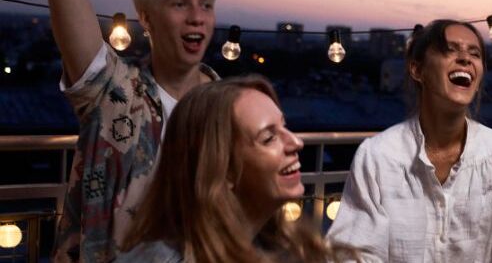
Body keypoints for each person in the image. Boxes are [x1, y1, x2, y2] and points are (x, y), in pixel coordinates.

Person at [43, 0, 222, 260]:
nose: (197, 16)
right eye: (180, 3)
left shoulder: (227, 109)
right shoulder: (111, 88)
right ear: (148, 17)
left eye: (206, 4)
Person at [327, 20, 492, 262]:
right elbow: (355, 254)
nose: (465, 58)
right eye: (450, 50)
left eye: (475, 53)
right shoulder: (377, 156)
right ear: (417, 70)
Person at [116, 75, 356, 262]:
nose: (296, 142)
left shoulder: (283, 245)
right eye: (269, 138)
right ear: (222, 168)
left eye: (285, 126)